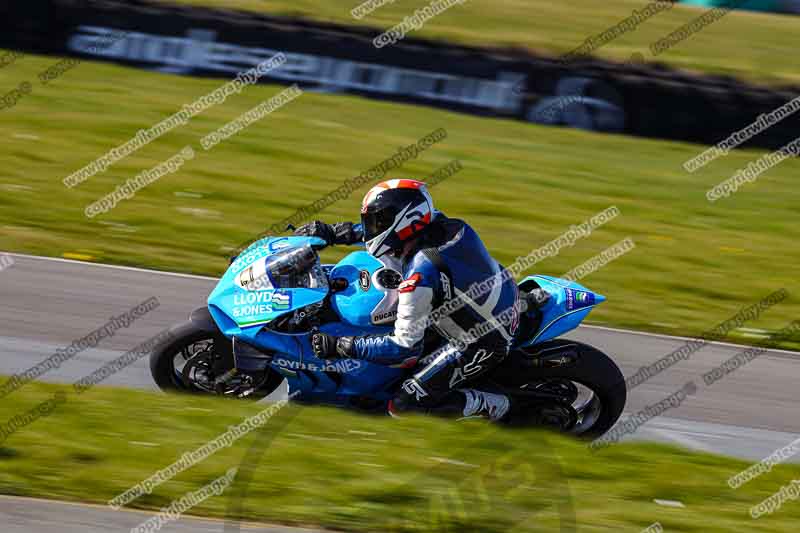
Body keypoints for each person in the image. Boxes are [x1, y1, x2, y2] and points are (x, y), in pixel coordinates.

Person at [294, 179, 520, 421]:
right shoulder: (440, 223)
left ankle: (500, 407)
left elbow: (404, 348)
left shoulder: (421, 275)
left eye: (377, 221)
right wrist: (334, 233)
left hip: (483, 339)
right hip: (499, 295)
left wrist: (342, 345)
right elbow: (387, 237)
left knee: (403, 406)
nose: (370, 228)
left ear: (406, 219)